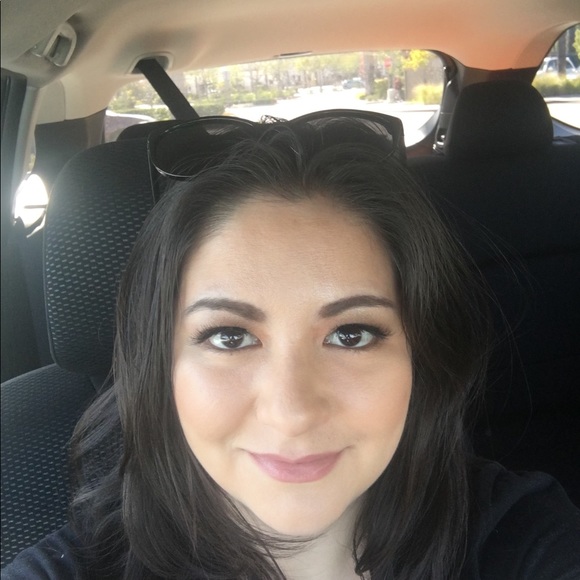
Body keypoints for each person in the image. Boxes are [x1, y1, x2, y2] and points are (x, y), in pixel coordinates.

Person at [3, 114, 579, 580]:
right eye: (229, 337)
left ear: (419, 355)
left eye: (351, 335)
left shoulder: (518, 535)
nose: (292, 411)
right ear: (160, 365)